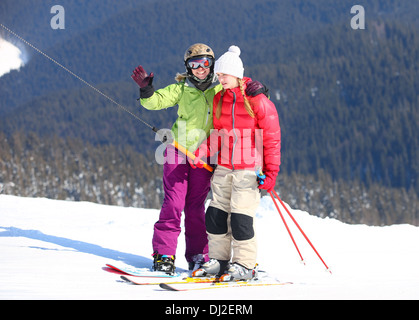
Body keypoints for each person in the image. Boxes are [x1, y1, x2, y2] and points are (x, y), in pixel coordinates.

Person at [131, 44, 268, 274]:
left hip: (205, 156)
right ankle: (164, 255)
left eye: (205, 63)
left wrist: (260, 89)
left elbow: (241, 94)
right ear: (187, 67)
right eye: (194, 64)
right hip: (178, 150)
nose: (200, 68)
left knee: (195, 207)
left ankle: (198, 255)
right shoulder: (181, 89)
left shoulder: (220, 89)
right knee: (174, 203)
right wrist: (147, 91)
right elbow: (156, 102)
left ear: (212, 64)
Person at [191, 45, 281, 281]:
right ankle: (219, 261)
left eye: (224, 75)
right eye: (218, 75)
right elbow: (218, 133)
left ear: (237, 74)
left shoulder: (257, 100)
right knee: (216, 215)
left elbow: (272, 139)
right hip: (223, 168)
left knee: (241, 219)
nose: (219, 79)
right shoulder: (220, 98)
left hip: (248, 170)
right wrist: (202, 151)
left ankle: (244, 265)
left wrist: (271, 174)